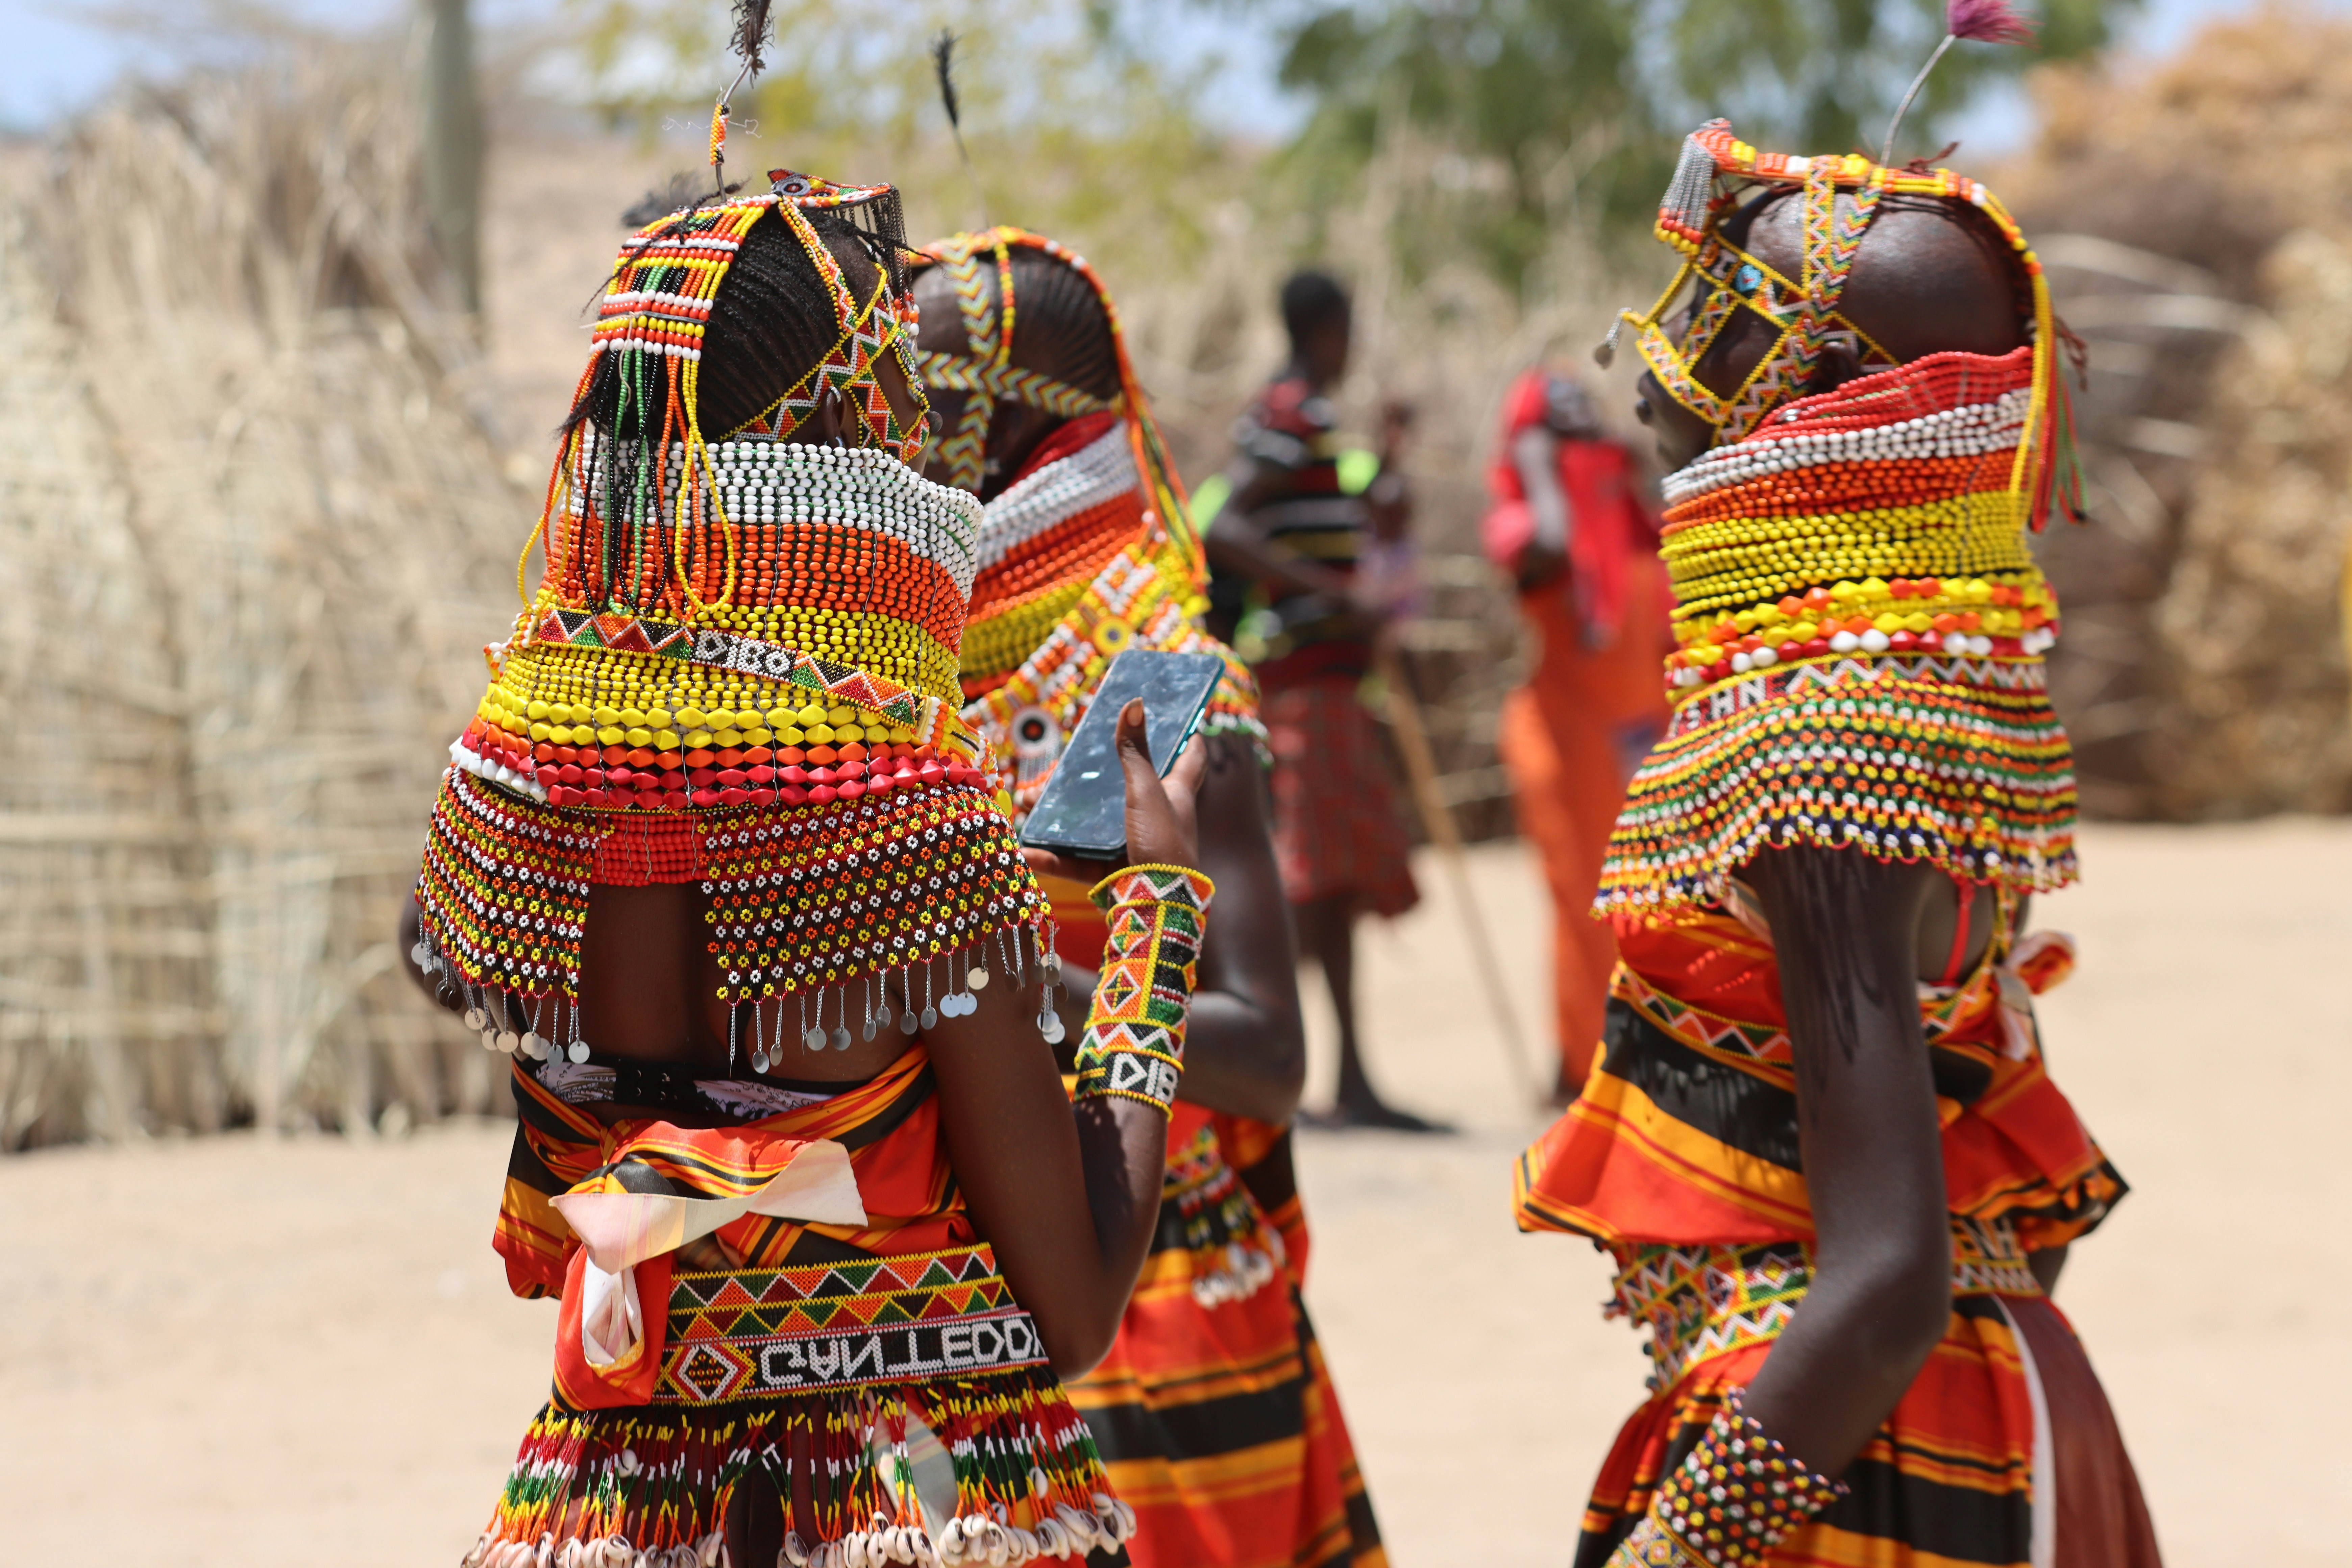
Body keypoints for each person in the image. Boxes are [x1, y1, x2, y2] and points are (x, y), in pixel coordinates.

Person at [399, 172, 1225, 1568]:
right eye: (889, 391)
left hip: (633, 1508)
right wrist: (1158, 915)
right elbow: (1078, 1307)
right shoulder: (900, 830)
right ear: (835, 432)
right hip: (909, 1504)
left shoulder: (507, 803)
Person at [1513, 122, 2160, 1566]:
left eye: (1717, 318)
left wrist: (1683, 1544)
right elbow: (1998, 1167)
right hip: (1955, 1407)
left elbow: (1884, 1276)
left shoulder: (1819, 747)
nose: (1653, 365)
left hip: (1844, 1447)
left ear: (1827, 391)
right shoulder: (1930, 696)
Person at [913, 226, 1385, 1568]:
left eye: (921, 397)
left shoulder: (1158, 680)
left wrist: (994, 982)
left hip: (1151, 1292)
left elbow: (1269, 1053)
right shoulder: (909, 671)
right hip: (973, 1305)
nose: (886, 427)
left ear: (1012, 418)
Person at [1204, 269, 1432, 1130]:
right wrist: (1337, 596)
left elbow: (1339, 521)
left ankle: (1346, 1077)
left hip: (1330, 677)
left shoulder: (1315, 422)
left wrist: (1389, 459)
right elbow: (1225, 526)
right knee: (1309, 880)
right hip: (1301, 679)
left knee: (1333, 883)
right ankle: (1276, 1065)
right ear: (1331, 328)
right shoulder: (1287, 412)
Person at [1481, 367, 1672, 1103]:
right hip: (1567, 745)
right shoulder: (1521, 521)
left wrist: (1630, 461)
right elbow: (1555, 542)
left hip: (1644, 738)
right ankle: (1586, 1067)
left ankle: (1652, 1055)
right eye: (1560, 423)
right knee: (1587, 909)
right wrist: (1537, 467)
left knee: (1658, 907)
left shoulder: (1630, 514)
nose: (1582, 432)